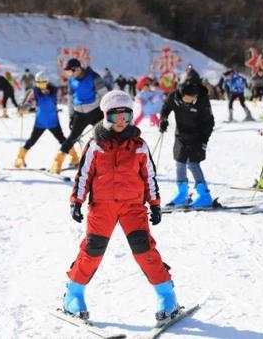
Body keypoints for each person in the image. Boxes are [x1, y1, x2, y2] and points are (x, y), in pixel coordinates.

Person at [62, 90, 179, 323]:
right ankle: (73, 294)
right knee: (92, 251)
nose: (121, 121)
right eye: (116, 116)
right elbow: (84, 174)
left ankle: (167, 294)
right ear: (106, 117)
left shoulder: (139, 145)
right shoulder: (95, 145)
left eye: (126, 115)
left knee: (144, 250)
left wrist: (154, 204)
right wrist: (76, 201)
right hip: (102, 207)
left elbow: (149, 176)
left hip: (132, 207)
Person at [160, 77, 215, 208]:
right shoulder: (173, 96)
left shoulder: (202, 99)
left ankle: (205, 196)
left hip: (198, 135)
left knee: (193, 163)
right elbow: (165, 108)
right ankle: (182, 195)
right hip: (181, 134)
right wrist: (163, 119)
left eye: (194, 97)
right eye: (189, 98)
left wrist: (204, 141)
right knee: (180, 162)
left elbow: (209, 122)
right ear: (182, 95)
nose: (192, 100)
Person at [50, 59, 107, 173]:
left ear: (78, 68)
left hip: (95, 111)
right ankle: (58, 160)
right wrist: (71, 115)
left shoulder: (94, 77)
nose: (70, 75)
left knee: (103, 137)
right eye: (68, 73)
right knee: (72, 138)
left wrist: (106, 112)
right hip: (79, 114)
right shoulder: (72, 80)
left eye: (71, 72)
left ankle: (106, 162)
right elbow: (70, 98)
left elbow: (104, 95)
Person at [15, 72, 67, 168]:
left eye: (42, 83)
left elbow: (63, 99)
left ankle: (75, 158)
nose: (40, 85)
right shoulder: (35, 91)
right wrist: (24, 107)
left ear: (47, 82)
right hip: (40, 122)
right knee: (32, 141)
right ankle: (20, 159)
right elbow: (30, 102)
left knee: (62, 140)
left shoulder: (55, 91)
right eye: (38, 83)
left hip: (53, 121)